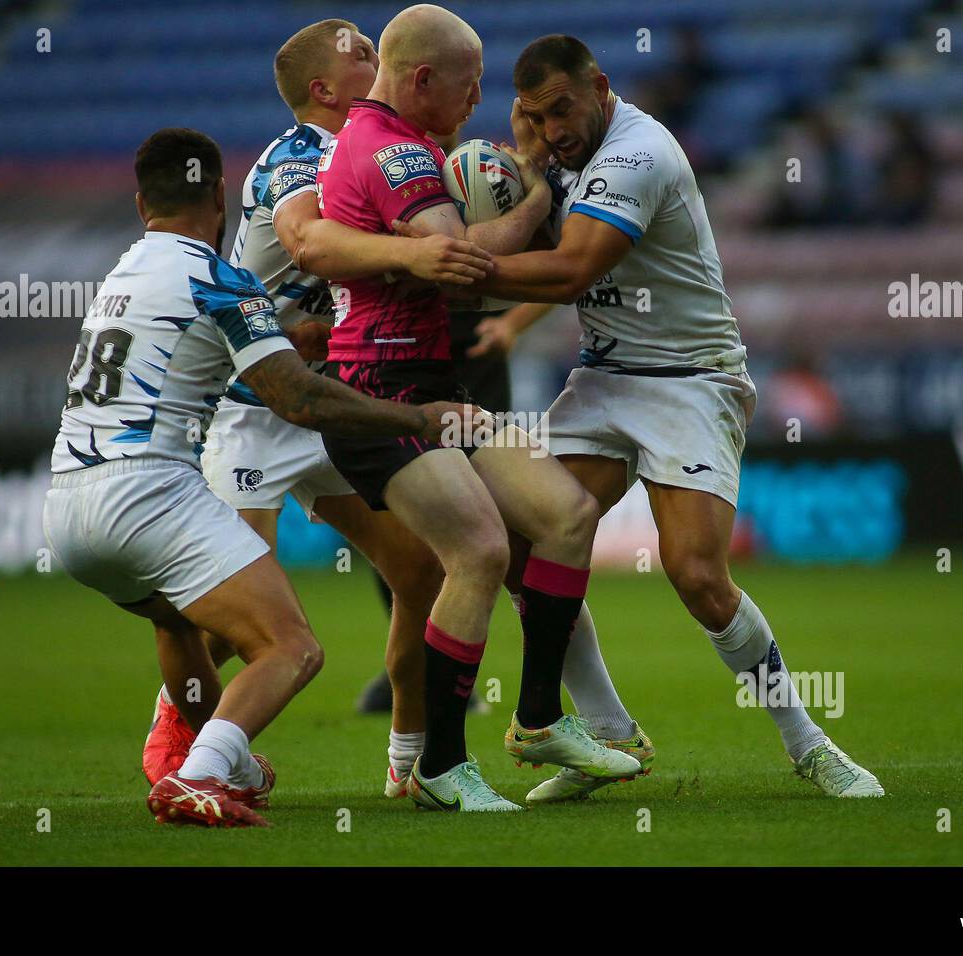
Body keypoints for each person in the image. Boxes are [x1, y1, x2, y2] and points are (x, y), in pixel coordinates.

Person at [405, 34, 885, 800]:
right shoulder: (551, 151)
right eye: (535, 114)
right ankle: (607, 733)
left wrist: (464, 270)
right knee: (527, 545)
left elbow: (573, 267)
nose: (553, 128)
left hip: (691, 380)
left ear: (598, 87)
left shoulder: (639, 153)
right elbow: (531, 221)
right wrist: (523, 176)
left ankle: (810, 743)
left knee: (696, 573)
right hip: (604, 377)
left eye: (563, 108)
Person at [43, 127, 475, 827]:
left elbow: (210, 342)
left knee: (178, 622)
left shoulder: (121, 276)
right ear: (220, 194)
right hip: (149, 496)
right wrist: (422, 419)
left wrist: (284, 332)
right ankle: (198, 773)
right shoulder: (218, 280)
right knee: (291, 647)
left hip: (67, 508)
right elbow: (299, 400)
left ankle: (220, 761)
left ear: (139, 202)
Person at [140, 19, 492, 802]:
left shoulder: (382, 151)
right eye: (358, 53)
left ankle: (410, 757)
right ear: (323, 91)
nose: (376, 55)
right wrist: (413, 251)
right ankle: (182, 724)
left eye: (376, 45)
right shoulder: (303, 154)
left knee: (421, 568)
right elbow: (307, 242)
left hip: (338, 401)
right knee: (227, 619)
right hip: (258, 408)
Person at [307, 4, 642, 811]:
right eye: (470, 84)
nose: (479, 99)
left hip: (437, 391)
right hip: (377, 397)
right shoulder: (393, 153)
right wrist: (534, 198)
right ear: (422, 79)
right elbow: (458, 262)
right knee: (482, 552)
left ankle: (534, 722)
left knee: (564, 515)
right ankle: (440, 768)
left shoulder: (403, 140)